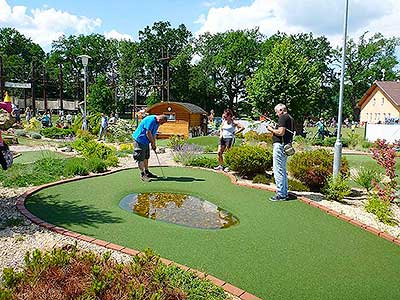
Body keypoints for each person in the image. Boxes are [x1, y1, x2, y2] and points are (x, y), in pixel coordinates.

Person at [267, 103, 294, 201]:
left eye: (277, 112)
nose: (276, 114)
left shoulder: (283, 117)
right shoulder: (290, 118)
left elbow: (280, 132)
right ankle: (284, 191)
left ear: (281, 110)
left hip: (280, 145)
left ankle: (281, 194)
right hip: (286, 145)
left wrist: (271, 129)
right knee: (282, 169)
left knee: (278, 169)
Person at [132, 114, 168, 181]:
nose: (162, 124)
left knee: (146, 157)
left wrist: (154, 144)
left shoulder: (157, 123)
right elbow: (148, 133)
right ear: (159, 119)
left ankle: (147, 172)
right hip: (139, 140)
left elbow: (153, 134)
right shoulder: (150, 120)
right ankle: (143, 174)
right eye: (162, 122)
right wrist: (152, 143)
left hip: (146, 141)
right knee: (140, 158)